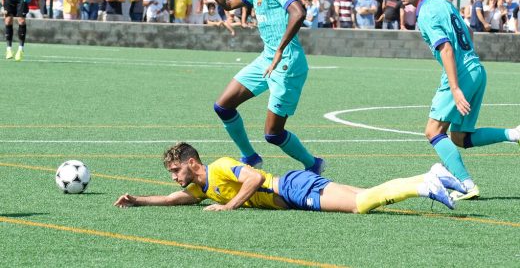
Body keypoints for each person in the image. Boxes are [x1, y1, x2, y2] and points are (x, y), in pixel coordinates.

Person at [189, 0, 324, 173]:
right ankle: (250, 157)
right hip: (266, 60)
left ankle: (313, 164)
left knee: (273, 134)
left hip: (286, 64)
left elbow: (298, 12)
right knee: (223, 106)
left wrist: (280, 50)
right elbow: (228, 3)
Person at [397, 0, 520, 201]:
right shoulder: (444, 4)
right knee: (460, 137)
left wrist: (455, 88)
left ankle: (466, 184)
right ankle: (514, 134)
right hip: (476, 69)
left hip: (462, 74)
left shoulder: (425, 14)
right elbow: (468, 31)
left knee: (433, 131)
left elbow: (446, 50)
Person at [114, 142, 458, 212]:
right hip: (294, 189)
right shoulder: (202, 187)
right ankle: (434, 174)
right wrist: (139, 200)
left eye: (176, 170)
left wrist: (229, 207)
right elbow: (176, 199)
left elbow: (254, 179)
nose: (175, 178)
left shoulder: (219, 166)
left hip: (292, 188)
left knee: (360, 206)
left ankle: (422, 186)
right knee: (368, 193)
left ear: (192, 161)